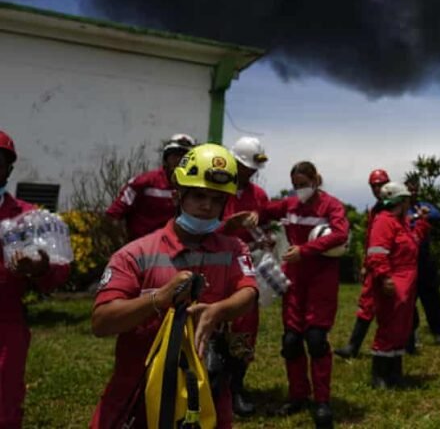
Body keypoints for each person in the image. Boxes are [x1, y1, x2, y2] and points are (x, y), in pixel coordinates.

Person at [90, 144, 258, 429]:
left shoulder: (234, 248)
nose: (207, 206)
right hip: (138, 395)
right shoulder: (136, 254)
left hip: (208, 394)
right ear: (178, 194)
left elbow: (249, 292)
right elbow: (102, 322)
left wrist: (219, 310)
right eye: (199, 195)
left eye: (217, 199)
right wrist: (158, 299)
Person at [263, 162, 348, 429]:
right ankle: (298, 395)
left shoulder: (331, 206)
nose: (300, 190)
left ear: (315, 180)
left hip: (321, 278)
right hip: (294, 279)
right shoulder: (288, 206)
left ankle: (322, 401)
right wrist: (253, 220)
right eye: (296, 185)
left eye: (304, 184)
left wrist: (306, 250)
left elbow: (341, 233)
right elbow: (262, 211)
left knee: (316, 338)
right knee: (291, 340)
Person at [0, 130, 70, 429]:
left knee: (3, 404)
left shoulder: (28, 219)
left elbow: (59, 270)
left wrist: (41, 268)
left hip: (6, 323)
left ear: (9, 169)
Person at [219, 136, 270, 416]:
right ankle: (212, 384)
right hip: (214, 263)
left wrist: (265, 240)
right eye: (245, 166)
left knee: (244, 326)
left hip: (244, 264)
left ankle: (236, 386)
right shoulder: (215, 188)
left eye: (252, 168)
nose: (249, 172)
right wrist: (230, 223)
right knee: (213, 323)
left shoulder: (259, 196)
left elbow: (262, 228)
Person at [366, 182, 432, 388]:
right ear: (401, 202)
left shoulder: (400, 223)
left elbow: (413, 241)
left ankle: (394, 374)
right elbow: (377, 252)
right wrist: (385, 277)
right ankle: (380, 374)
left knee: (401, 328)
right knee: (389, 326)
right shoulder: (384, 222)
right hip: (393, 282)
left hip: (406, 283)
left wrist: (421, 222)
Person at [335, 169, 390, 359]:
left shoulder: (396, 207)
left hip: (391, 265)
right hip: (375, 263)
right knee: (367, 304)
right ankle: (353, 346)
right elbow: (371, 239)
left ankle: (406, 343)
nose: (377, 189)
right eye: (374, 186)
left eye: (380, 184)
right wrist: (367, 262)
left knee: (398, 305)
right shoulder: (376, 209)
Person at [106, 133, 196, 241]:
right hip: (141, 249)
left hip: (178, 250)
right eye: (175, 156)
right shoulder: (143, 182)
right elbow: (113, 215)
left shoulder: (195, 188)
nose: (179, 161)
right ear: (166, 159)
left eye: (185, 158)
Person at [405, 176, 440, 349]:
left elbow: (437, 215)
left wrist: (420, 215)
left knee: (432, 298)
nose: (413, 191)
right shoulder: (403, 208)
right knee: (410, 300)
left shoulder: (424, 203)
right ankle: (413, 335)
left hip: (425, 259)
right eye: (410, 188)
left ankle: (439, 333)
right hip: (408, 260)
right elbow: (406, 222)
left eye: (415, 188)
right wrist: (419, 215)